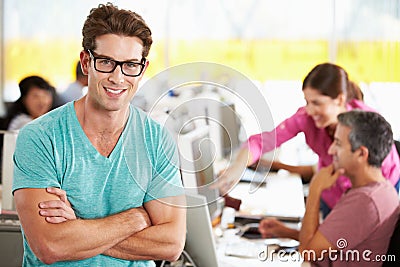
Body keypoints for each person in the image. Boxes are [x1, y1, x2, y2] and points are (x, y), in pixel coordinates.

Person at [12, 3, 186, 266]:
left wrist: (78, 227)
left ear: (143, 68)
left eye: (130, 65)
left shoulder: (157, 139)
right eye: (106, 62)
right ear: (86, 62)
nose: (118, 77)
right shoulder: (40, 137)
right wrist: (136, 218)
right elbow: (50, 245)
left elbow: (171, 244)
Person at [214, 62, 400, 217]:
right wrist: (236, 169)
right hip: (333, 193)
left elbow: (380, 178)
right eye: (307, 102)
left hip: (374, 192)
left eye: (317, 103)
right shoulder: (306, 118)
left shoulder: (368, 123)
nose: (310, 111)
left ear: (339, 99)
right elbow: (262, 142)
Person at [297, 110, 399, 266]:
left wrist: (315, 189)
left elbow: (307, 253)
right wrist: (285, 233)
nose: (331, 150)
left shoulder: (365, 201)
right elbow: (330, 241)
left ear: (361, 154)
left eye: (338, 143)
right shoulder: (383, 189)